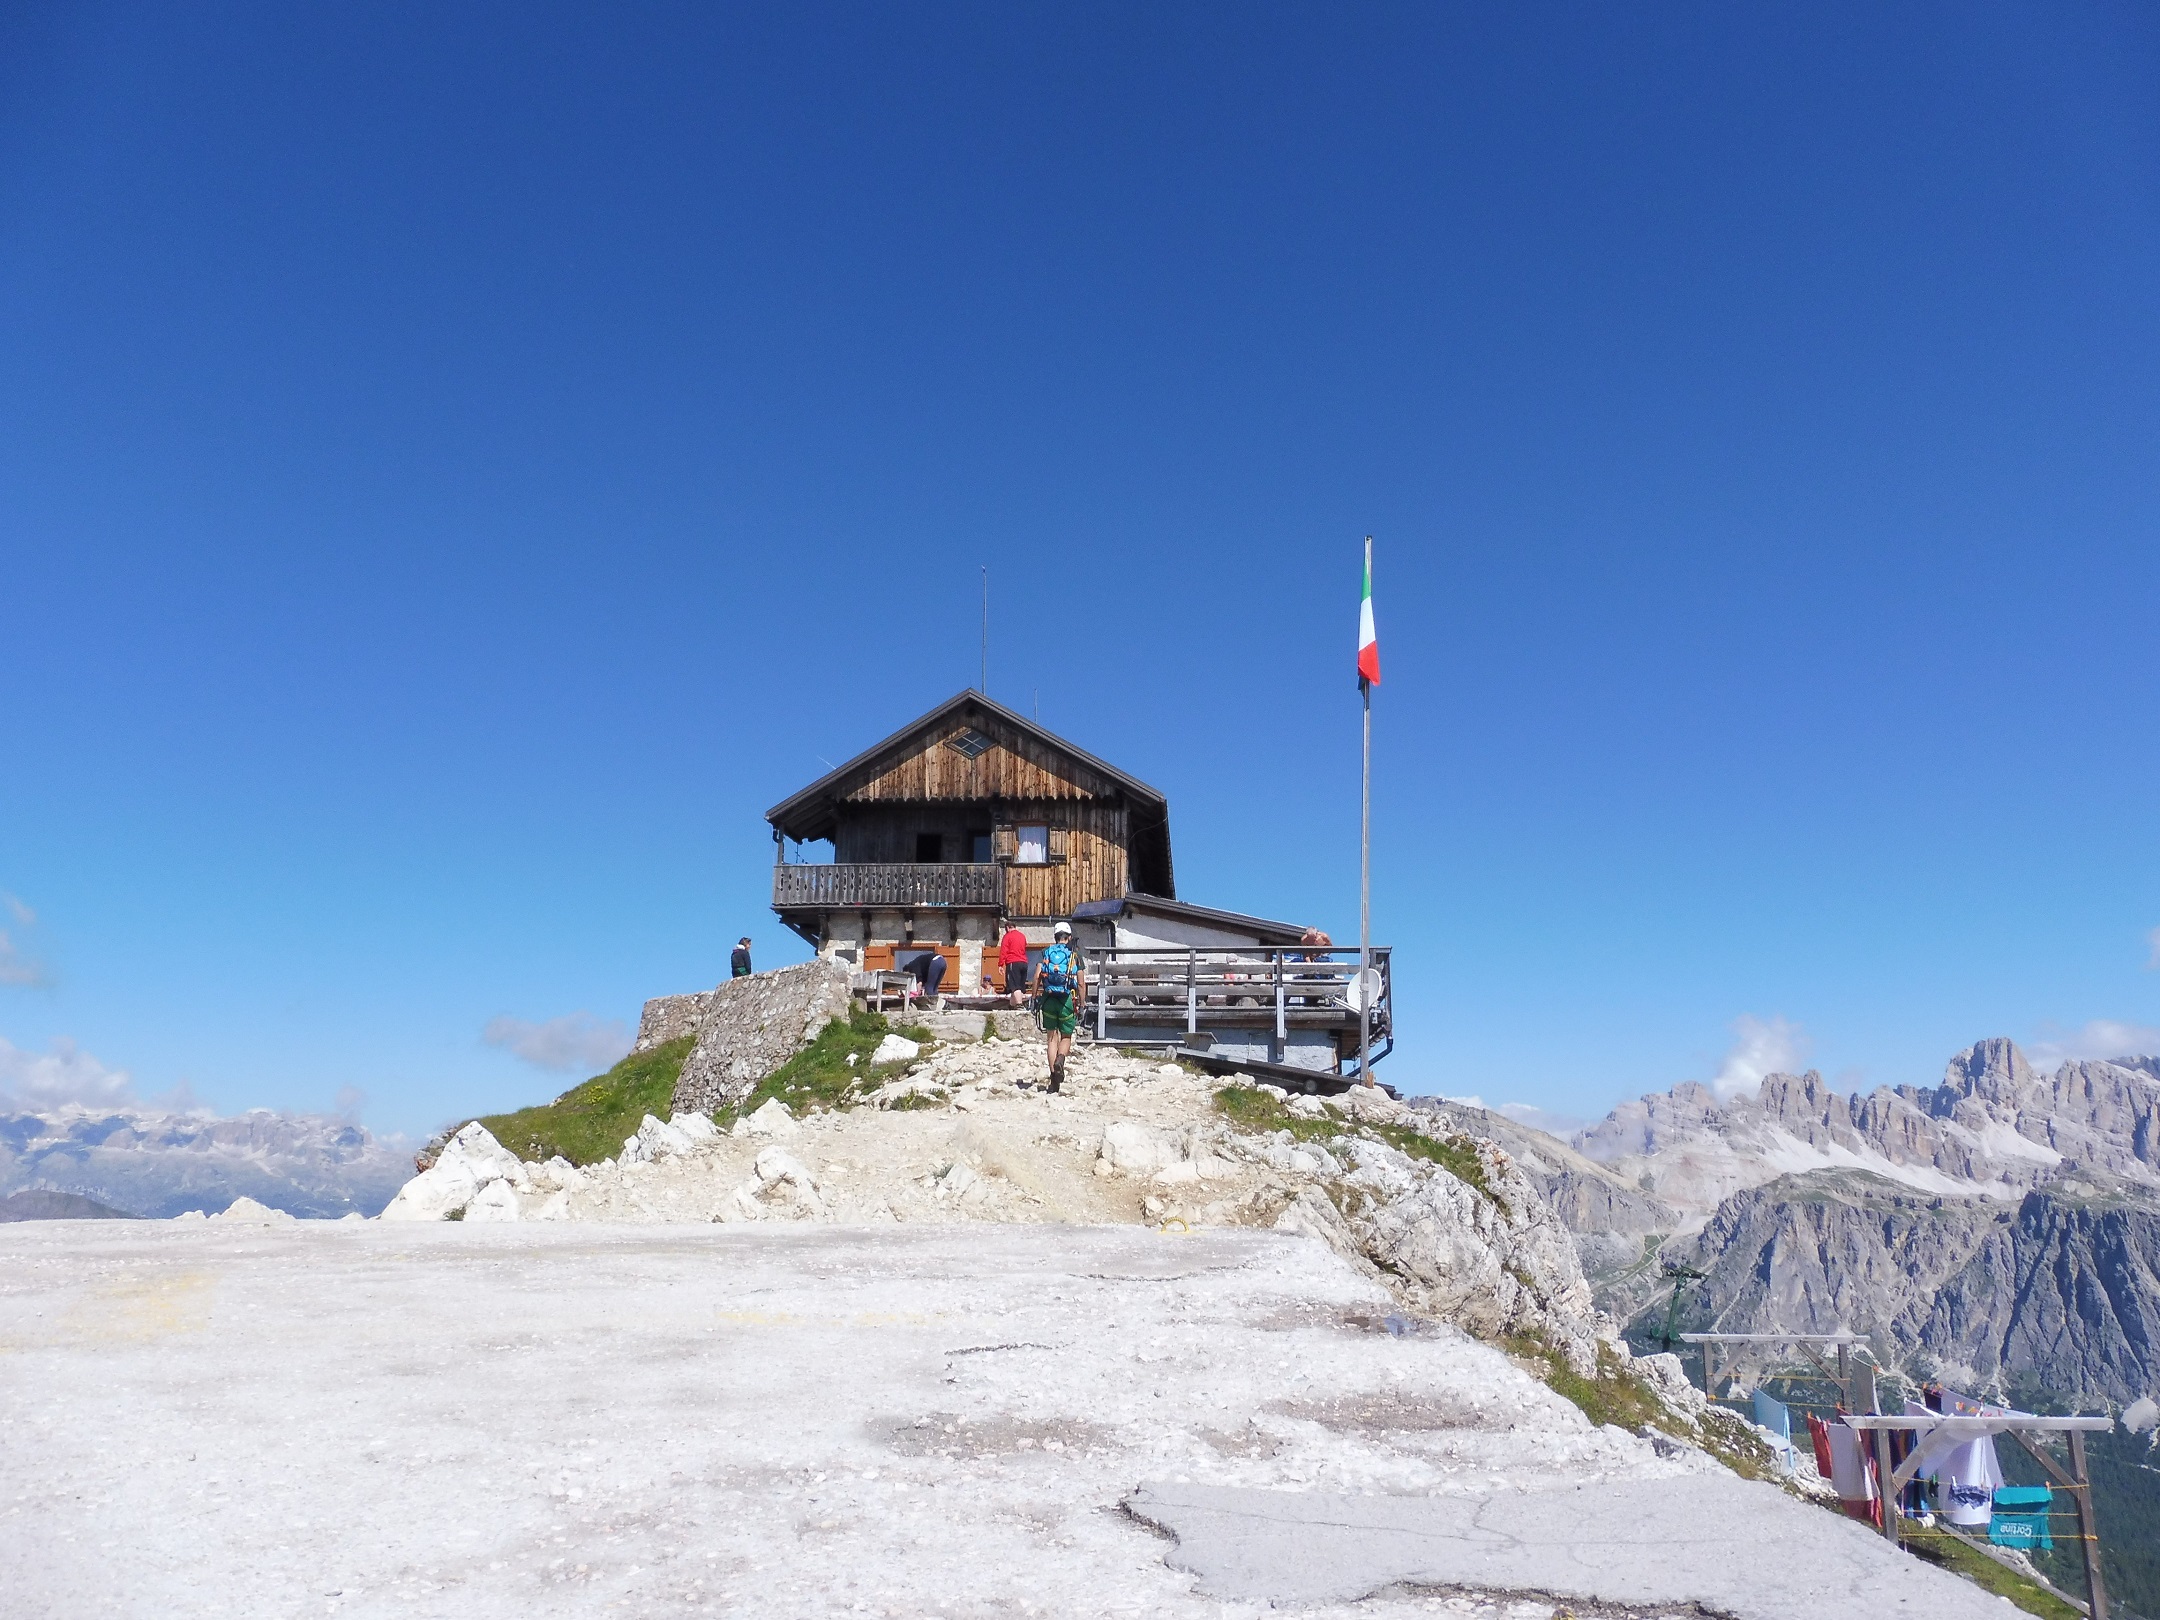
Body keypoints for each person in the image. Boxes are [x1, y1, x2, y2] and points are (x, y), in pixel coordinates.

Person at [1031, 921, 1085, 1092]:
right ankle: (1061, 1059)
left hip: (1048, 999)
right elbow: (1082, 984)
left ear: (1055, 937)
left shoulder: (1045, 952)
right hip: (1066, 1000)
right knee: (1066, 1036)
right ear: (1069, 938)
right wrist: (1082, 1005)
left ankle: (1054, 1078)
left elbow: (1036, 976)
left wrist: (1033, 998)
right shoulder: (1074, 955)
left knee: (1051, 1038)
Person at [997, 921, 1031, 1006]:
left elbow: (1004, 951)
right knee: (1018, 986)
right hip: (1024, 963)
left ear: (1007, 928)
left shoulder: (1008, 936)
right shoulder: (1022, 936)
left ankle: (1019, 1005)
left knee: (1015, 986)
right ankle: (1012, 1005)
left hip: (1013, 962)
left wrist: (1000, 964)